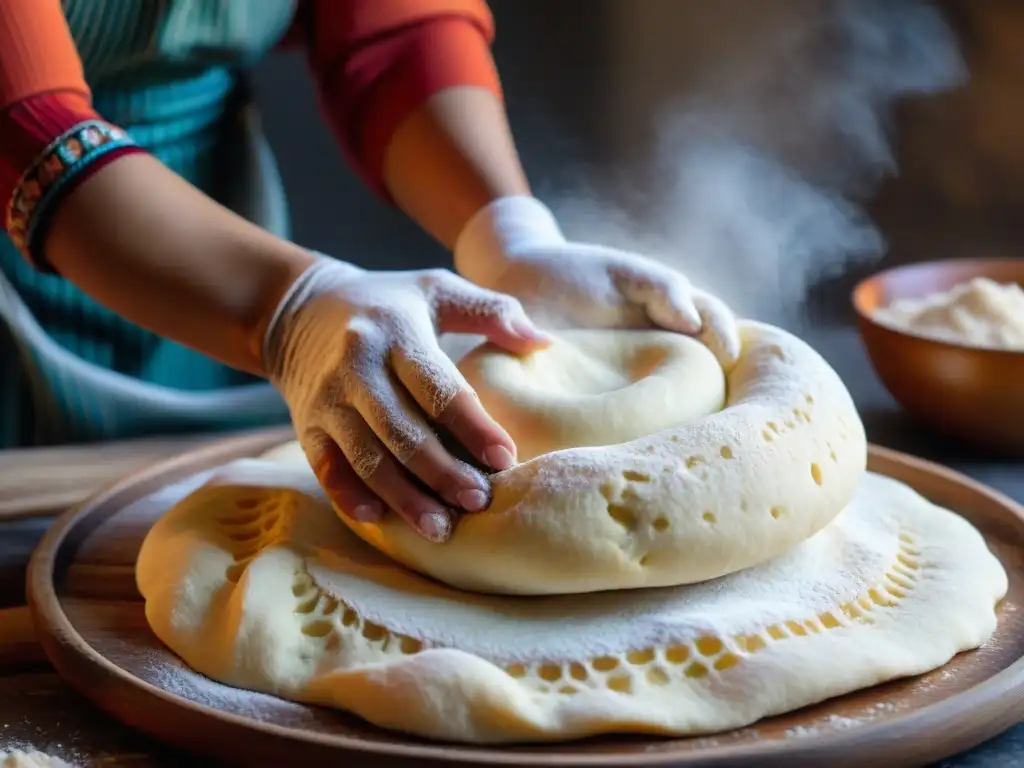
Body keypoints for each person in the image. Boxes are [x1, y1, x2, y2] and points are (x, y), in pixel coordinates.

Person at [0, 1, 739, 544]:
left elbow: (393, 37)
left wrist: (504, 232)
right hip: (60, 242)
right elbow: (23, 124)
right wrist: (287, 311)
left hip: (211, 226)